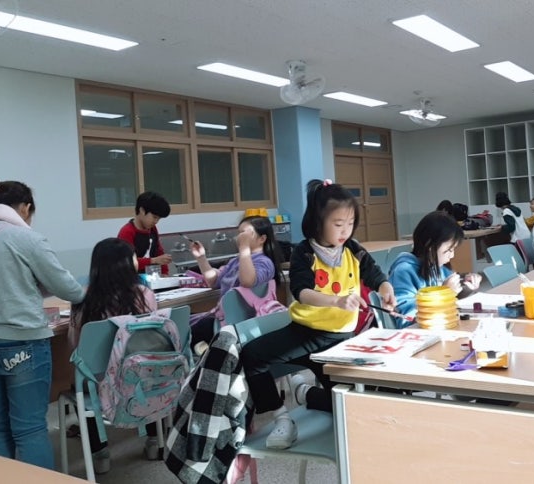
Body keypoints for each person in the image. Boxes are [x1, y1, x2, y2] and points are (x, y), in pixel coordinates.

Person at [241, 179, 396, 450]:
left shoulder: (352, 249)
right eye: (338, 224)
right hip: (305, 334)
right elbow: (302, 292)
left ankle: (307, 394)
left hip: (340, 339)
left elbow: (375, 274)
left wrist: (386, 289)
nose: (345, 230)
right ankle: (281, 418)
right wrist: (336, 301)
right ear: (318, 221)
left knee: (349, 404)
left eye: (350, 223)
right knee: (251, 356)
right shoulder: (304, 252)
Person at [0, 177, 85, 470]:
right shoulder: (25, 238)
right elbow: (69, 290)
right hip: (22, 341)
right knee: (29, 429)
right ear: (25, 208)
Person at [68, 237, 159, 473]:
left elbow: (76, 346)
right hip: (140, 375)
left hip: (98, 381)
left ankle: (100, 455)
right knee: (148, 375)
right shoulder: (144, 295)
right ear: (127, 264)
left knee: (79, 385)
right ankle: (154, 441)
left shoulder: (82, 300)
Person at [187, 215, 282, 347]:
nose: (239, 237)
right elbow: (214, 282)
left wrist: (244, 248)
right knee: (185, 319)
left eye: (244, 233)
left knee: (184, 330)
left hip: (241, 323)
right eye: (239, 233)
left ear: (262, 239)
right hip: (225, 318)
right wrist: (201, 258)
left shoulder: (264, 262)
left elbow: (247, 281)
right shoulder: (236, 261)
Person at [389, 211, 482, 327]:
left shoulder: (438, 268)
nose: (452, 255)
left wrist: (466, 287)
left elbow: (452, 297)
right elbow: (405, 319)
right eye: (449, 250)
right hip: (418, 334)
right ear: (429, 244)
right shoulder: (403, 271)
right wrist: (444, 293)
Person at [117, 191, 172, 274]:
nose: (156, 221)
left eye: (159, 219)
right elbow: (127, 262)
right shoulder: (127, 232)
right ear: (142, 210)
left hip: (150, 277)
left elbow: (159, 252)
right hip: (132, 278)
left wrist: (165, 273)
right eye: (154, 217)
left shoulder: (152, 229)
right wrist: (153, 260)